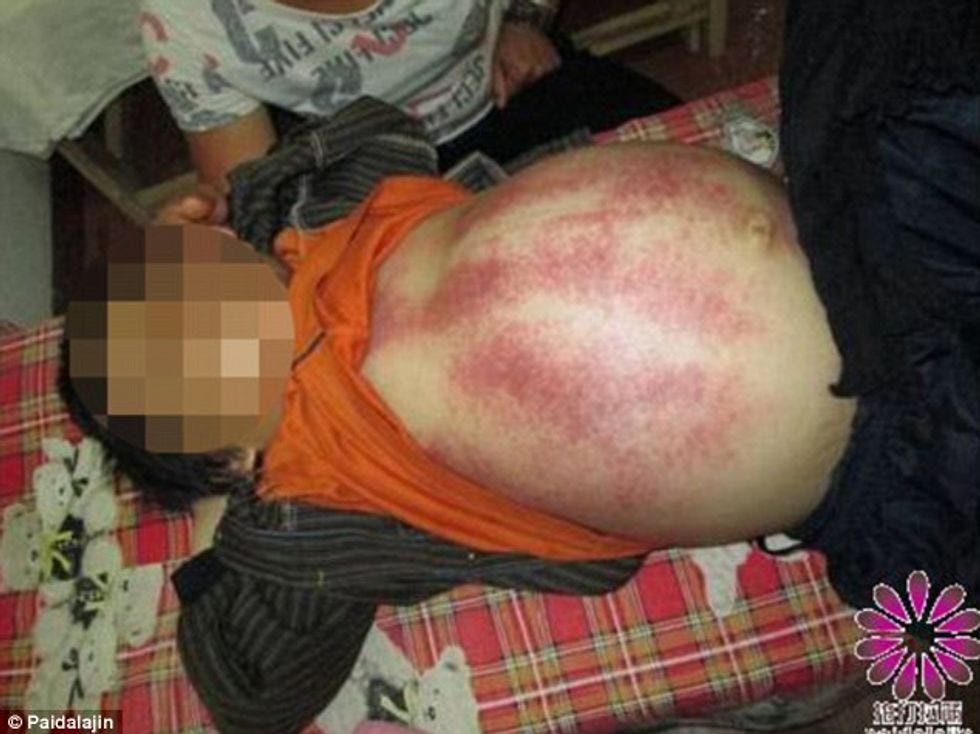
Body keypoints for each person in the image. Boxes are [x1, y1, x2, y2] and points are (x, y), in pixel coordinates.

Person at [63, 141, 856, 557]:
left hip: (842, 203)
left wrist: (234, 213)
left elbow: (373, 134)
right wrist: (218, 513)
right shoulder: (310, 479)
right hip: (864, 431)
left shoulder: (316, 239)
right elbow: (248, 696)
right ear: (231, 455)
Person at [140, 0, 680, 227]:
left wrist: (523, 17)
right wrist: (220, 240)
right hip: (360, 179)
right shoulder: (188, 16)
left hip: (521, 96)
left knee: (694, 189)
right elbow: (259, 201)